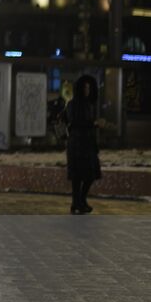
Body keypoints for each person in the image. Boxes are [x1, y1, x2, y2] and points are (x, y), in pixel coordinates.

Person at [65, 74, 102, 214]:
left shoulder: (88, 104)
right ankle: (78, 203)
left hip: (87, 143)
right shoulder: (73, 104)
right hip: (77, 143)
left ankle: (79, 201)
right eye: (85, 88)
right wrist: (93, 123)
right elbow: (74, 122)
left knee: (89, 175)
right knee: (78, 176)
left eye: (89, 87)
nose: (87, 90)